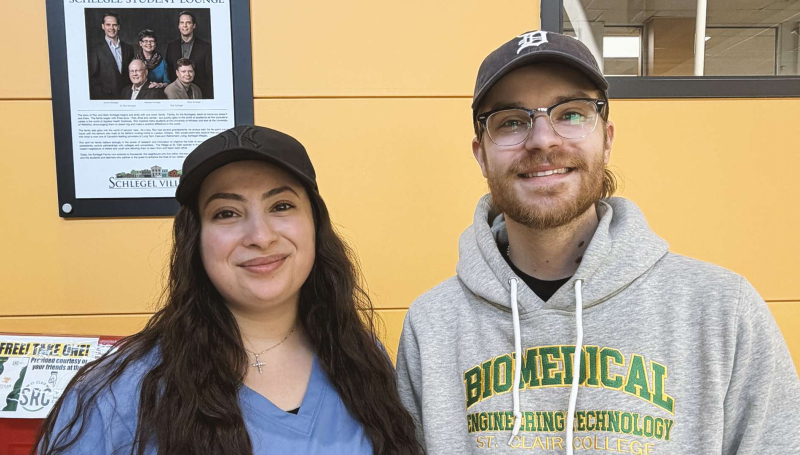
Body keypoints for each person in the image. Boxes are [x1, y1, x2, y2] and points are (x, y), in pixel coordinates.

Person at [395, 30, 800, 455]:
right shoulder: (432, 326)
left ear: (606, 139)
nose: (543, 139)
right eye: (511, 121)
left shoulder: (722, 311)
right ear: (481, 154)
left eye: (570, 113)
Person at [35, 125, 420, 454]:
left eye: (281, 206)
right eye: (227, 213)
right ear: (196, 240)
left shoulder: (361, 360)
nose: (261, 236)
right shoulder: (116, 395)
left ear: (315, 226)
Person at [166, 11, 213, 99]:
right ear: (178, 26)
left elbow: (209, 75)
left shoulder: (206, 47)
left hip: (200, 95)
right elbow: (169, 71)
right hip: (177, 95)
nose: (185, 25)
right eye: (182, 22)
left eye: (188, 22)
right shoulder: (171, 46)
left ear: (194, 25)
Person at [88, 12, 134, 100]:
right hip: (106, 98)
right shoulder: (96, 50)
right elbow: (93, 78)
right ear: (103, 26)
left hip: (126, 96)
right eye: (108, 24)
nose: (111, 28)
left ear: (118, 27)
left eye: (114, 25)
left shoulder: (129, 48)